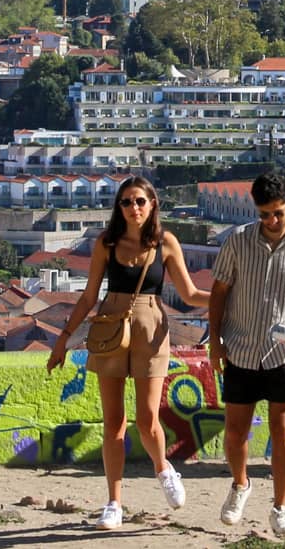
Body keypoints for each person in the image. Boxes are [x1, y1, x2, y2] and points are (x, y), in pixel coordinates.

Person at [48, 176, 212, 530]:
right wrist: (63, 339)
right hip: (111, 327)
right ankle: (113, 502)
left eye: (139, 201)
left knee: (147, 419)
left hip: (151, 329)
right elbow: (89, 295)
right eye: (126, 202)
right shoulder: (106, 243)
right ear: (118, 207)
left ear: (152, 203)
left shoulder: (165, 243)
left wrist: (226, 301)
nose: (133, 208)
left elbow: (189, 293)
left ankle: (163, 468)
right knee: (113, 423)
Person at [207, 171, 285, 538]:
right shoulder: (237, 241)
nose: (272, 221)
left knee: (283, 430)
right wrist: (215, 341)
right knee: (235, 431)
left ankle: (281, 507)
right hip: (242, 346)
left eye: (278, 213)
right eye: (264, 214)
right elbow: (219, 292)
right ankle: (241, 484)